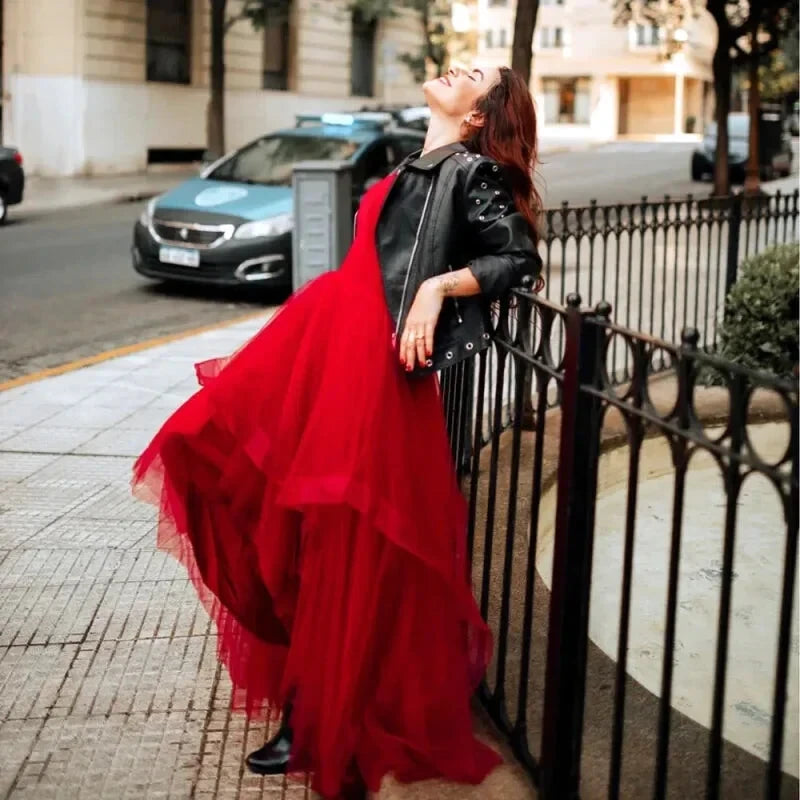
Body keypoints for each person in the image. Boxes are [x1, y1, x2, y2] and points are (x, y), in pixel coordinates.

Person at [132, 65, 542, 799]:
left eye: (473, 76)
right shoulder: (413, 162)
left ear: (479, 116)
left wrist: (435, 289)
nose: (455, 67)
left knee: (338, 541)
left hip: (371, 378)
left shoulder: (471, 172)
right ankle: (308, 690)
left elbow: (516, 257)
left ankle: (315, 714)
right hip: (323, 348)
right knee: (218, 453)